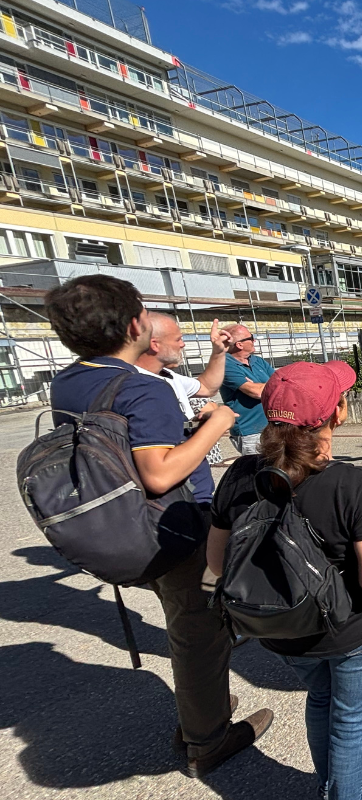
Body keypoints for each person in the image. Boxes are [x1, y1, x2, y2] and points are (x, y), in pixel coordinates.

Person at [44, 275, 273, 778]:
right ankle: (208, 739)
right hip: (169, 527)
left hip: (116, 523)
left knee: (189, 621)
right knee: (197, 632)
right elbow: (160, 471)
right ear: (135, 325)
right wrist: (216, 424)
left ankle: (203, 709)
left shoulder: (68, 380)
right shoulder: (142, 389)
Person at [207, 360, 362, 800]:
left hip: (282, 628)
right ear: (337, 414)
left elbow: (217, 563)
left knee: (320, 699)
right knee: (351, 719)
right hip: (353, 629)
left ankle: (328, 788)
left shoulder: (240, 475)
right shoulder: (356, 483)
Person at [135, 314, 230, 464]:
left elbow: (207, 387)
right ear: (155, 344)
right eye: (178, 339)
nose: (182, 344)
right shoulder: (136, 384)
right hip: (174, 474)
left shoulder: (168, 375)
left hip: (191, 474)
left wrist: (218, 352)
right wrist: (218, 422)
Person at [219, 323, 275, 455]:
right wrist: (266, 386)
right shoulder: (223, 364)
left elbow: (281, 385)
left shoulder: (257, 361)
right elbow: (255, 392)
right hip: (250, 432)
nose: (254, 340)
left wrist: (259, 385)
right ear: (239, 344)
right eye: (251, 337)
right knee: (258, 471)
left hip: (271, 427)